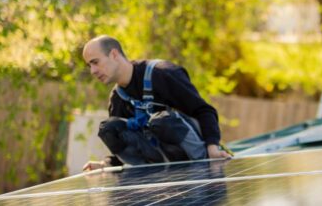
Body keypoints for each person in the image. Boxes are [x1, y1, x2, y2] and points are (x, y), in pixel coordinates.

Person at [80, 35, 232, 170]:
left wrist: (212, 147)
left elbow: (204, 111)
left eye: (95, 62)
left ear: (114, 54)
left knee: (161, 121)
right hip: (160, 160)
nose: (93, 71)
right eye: (89, 66)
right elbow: (126, 140)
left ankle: (201, 159)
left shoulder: (163, 73)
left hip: (196, 152)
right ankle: (150, 171)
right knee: (110, 128)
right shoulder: (117, 98)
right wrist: (106, 164)